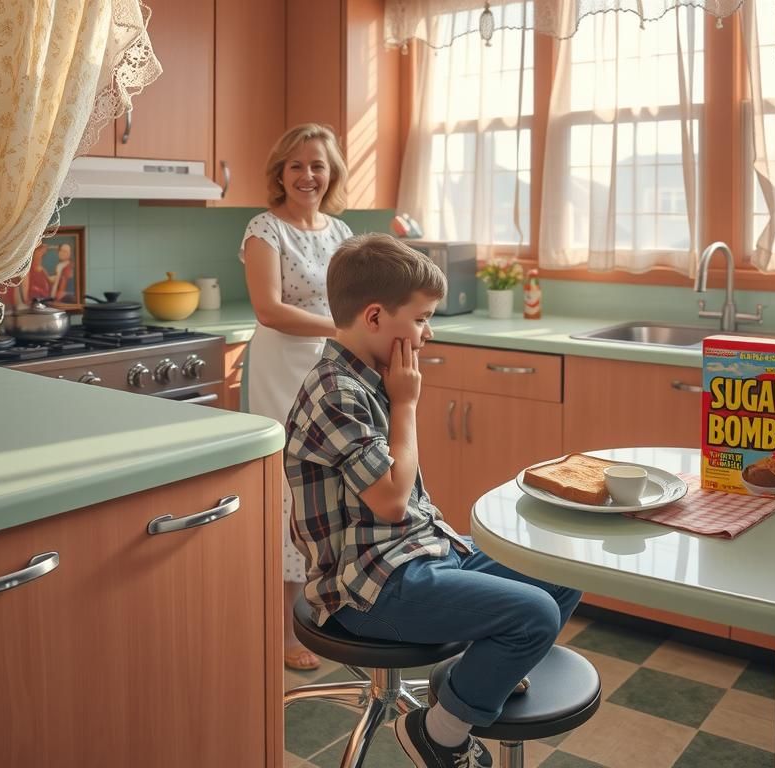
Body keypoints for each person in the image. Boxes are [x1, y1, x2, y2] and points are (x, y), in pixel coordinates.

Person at [285, 234, 583, 768]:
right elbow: (393, 502)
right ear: (375, 317)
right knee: (535, 613)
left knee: (563, 567)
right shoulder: (336, 393)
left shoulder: (368, 377)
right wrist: (407, 404)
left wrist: (399, 398)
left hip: (417, 555)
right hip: (367, 590)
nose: (429, 332)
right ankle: (438, 733)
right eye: (421, 318)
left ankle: (476, 676)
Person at [239, 123, 353, 672]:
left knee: (330, 482)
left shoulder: (342, 232)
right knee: (289, 488)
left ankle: (322, 612)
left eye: (318, 166)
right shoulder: (265, 229)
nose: (308, 175)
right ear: (280, 174)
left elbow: (357, 299)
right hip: (282, 367)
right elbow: (268, 308)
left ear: (331, 175)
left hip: (331, 367)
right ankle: (283, 631)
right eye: (297, 166)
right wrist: (340, 330)